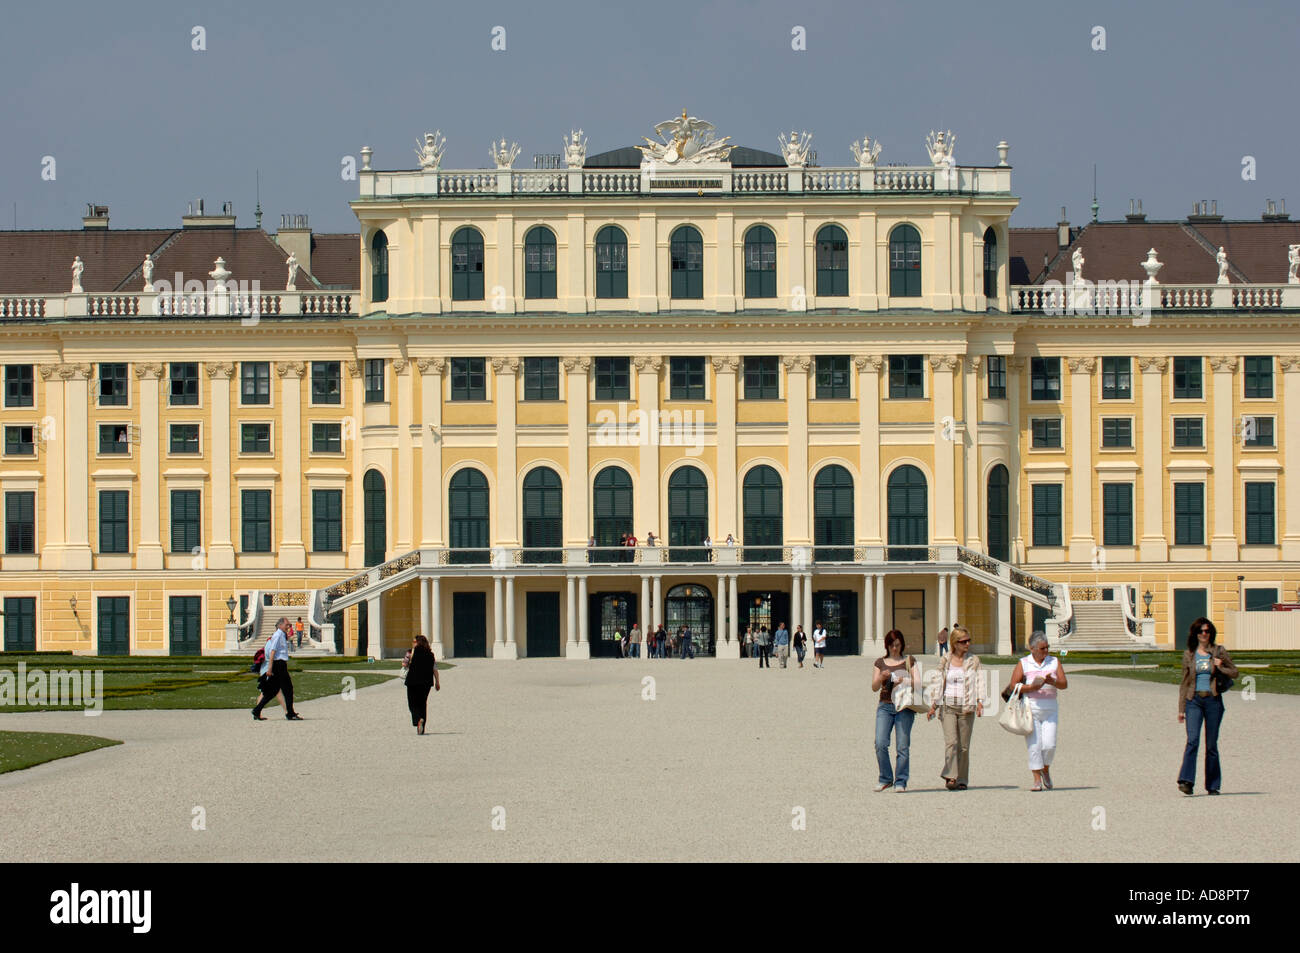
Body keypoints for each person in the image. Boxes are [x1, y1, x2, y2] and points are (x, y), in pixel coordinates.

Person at [1177, 617, 1238, 796]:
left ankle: (1213, 785)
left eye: (1207, 631)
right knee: (1192, 740)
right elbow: (1184, 683)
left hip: (1213, 701)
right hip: (1193, 700)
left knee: (1211, 744)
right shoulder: (1189, 654)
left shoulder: (1219, 651)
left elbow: (1235, 672)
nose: (1204, 634)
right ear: (1195, 634)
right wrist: (1181, 709)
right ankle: (1186, 781)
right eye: (1201, 631)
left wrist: (1221, 667)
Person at [1004, 631, 1068, 791]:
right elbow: (1013, 685)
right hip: (1030, 708)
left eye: (1047, 648)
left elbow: (1064, 684)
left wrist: (1053, 681)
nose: (1045, 651)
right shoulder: (1024, 663)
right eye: (1042, 648)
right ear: (1032, 649)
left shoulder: (1054, 661)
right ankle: (1037, 779)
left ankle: (1045, 769)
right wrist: (1032, 687)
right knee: (1035, 745)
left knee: (1049, 745)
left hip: (1050, 708)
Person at [926, 624, 984, 789]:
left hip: (966, 706)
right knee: (951, 742)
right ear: (955, 643)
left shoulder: (973, 660)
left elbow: (980, 681)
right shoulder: (945, 660)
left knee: (963, 746)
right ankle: (951, 776)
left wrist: (980, 701)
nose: (967, 644)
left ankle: (962, 779)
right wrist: (934, 705)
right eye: (964, 641)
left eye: (968, 641)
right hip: (948, 705)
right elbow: (938, 682)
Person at [873, 630, 920, 792]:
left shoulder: (909, 660)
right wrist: (881, 678)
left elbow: (919, 683)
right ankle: (885, 777)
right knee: (880, 743)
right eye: (892, 645)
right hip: (885, 705)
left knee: (902, 746)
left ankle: (901, 781)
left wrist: (904, 680)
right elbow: (874, 687)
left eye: (897, 645)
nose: (894, 649)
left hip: (904, 707)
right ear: (887, 645)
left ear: (902, 644)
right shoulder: (880, 662)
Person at [252, 617, 302, 721]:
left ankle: (257, 710)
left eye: (289, 625)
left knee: (272, 691)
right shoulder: (278, 635)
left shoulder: (282, 635)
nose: (288, 627)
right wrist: (269, 669)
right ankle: (290, 713)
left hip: (280, 664)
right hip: (278, 665)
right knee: (288, 689)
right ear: (280, 625)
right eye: (287, 625)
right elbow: (272, 651)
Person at [402, 634, 441, 734]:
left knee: (412, 703)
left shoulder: (410, 652)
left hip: (413, 681)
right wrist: (437, 682)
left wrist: (408, 662)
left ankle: (418, 720)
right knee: (422, 703)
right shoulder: (430, 654)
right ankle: (422, 728)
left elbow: (404, 664)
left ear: (418, 643)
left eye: (414, 642)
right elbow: (435, 669)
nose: (413, 643)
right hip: (426, 683)